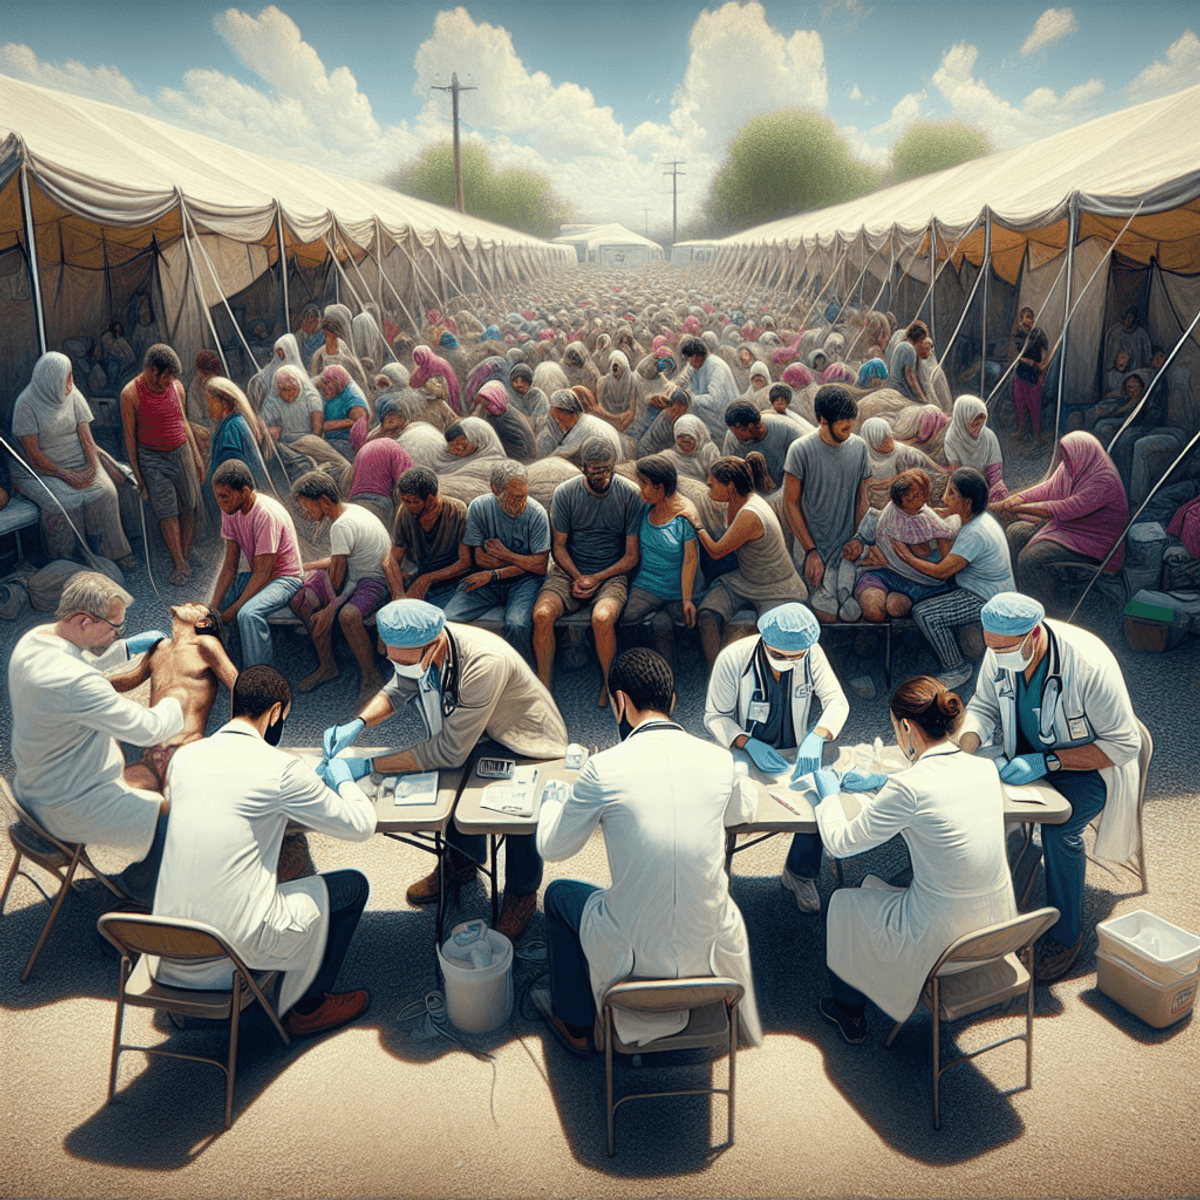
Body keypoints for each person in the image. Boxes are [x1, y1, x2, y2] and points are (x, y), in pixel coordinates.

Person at [532, 648, 762, 1055]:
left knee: (558, 894)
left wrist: (553, 800)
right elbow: (742, 811)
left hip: (633, 963)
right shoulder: (720, 760)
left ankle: (576, 1025)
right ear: (672, 701)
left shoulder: (602, 769)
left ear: (620, 702)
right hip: (708, 959)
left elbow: (553, 847)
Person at [320, 599, 568, 940]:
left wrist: (368, 764)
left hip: (526, 738)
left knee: (515, 810)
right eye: (393, 660)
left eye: (406, 662)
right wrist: (359, 723)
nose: (400, 667)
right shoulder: (422, 646)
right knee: (449, 786)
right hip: (479, 729)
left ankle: (521, 893)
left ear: (434, 644)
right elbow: (400, 687)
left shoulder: (484, 662)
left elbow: (449, 750)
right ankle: (461, 863)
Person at [153, 666, 376, 1037]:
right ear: (275, 713)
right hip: (233, 951)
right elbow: (360, 826)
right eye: (283, 718)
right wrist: (344, 780)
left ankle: (201, 1011)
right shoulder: (282, 769)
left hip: (166, 947)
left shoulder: (185, 759)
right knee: (352, 886)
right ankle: (307, 1007)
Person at [813, 676, 1016, 1043]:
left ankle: (849, 1012)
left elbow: (840, 844)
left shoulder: (908, 788)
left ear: (905, 727)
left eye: (895, 728)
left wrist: (828, 795)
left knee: (843, 902)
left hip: (947, 942)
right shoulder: (984, 768)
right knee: (875, 886)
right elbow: (939, 788)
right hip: (1001, 929)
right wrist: (881, 781)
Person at [960, 593, 1141, 982]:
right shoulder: (1001, 649)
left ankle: (1066, 936)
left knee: (1060, 832)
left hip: (1087, 769)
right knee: (970, 796)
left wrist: (1049, 761)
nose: (996, 656)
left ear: (1034, 634)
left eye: (1003, 649)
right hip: (1022, 755)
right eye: (991, 647)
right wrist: (964, 748)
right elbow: (984, 706)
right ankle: (979, 903)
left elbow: (1124, 745)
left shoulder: (1089, 665)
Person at [8, 571, 182, 905]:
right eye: (115, 627)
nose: (117, 633)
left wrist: (125, 649)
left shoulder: (35, 639)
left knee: (126, 747)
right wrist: (176, 700)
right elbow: (149, 728)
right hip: (65, 806)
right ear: (84, 621)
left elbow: (82, 659)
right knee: (168, 814)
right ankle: (139, 893)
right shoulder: (77, 683)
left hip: (34, 785)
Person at [705, 603, 849, 914]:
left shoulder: (811, 653)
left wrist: (816, 736)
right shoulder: (733, 658)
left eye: (795, 657)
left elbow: (837, 701)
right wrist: (748, 743)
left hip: (796, 750)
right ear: (764, 639)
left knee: (820, 800)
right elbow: (715, 716)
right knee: (735, 804)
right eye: (779, 655)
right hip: (745, 748)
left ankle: (799, 873)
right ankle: (719, 874)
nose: (788, 662)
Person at [532, 437, 641, 706]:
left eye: (607, 469)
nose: (602, 476)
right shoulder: (565, 493)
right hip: (569, 570)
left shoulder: (630, 494)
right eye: (595, 470)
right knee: (542, 614)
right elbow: (558, 546)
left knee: (602, 618)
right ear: (583, 468)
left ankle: (608, 684)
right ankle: (545, 686)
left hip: (611, 574)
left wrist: (597, 578)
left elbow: (631, 556)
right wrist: (578, 576)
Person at [892, 467, 1015, 689]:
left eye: (951, 493)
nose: (944, 498)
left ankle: (956, 667)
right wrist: (941, 520)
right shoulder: (976, 520)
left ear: (967, 504)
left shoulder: (976, 532)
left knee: (925, 614)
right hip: (981, 588)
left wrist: (906, 556)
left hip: (986, 597)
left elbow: (942, 571)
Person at [11, 351, 136, 568]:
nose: (72, 381)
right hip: (47, 470)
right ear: (50, 379)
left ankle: (114, 552)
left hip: (80, 462)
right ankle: (68, 560)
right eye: (66, 376)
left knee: (106, 492)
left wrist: (92, 467)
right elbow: (34, 456)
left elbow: (87, 440)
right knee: (65, 504)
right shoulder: (26, 405)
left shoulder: (73, 395)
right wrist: (66, 475)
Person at [692, 455, 808, 666]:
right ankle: (716, 673)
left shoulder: (750, 514)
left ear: (730, 486)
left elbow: (717, 552)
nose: (709, 491)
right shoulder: (739, 502)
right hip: (745, 580)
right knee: (707, 614)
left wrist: (696, 524)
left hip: (775, 587)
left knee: (768, 630)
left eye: (712, 485)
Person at [999, 431, 1129, 615]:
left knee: (1030, 558)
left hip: (1093, 544)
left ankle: (1044, 612)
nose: (1062, 457)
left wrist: (1021, 507)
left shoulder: (1104, 480)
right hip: (1071, 530)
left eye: (1066, 453)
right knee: (1015, 532)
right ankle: (1022, 595)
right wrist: (1020, 497)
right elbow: (1048, 488)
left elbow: (1067, 508)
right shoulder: (1073, 465)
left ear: (1082, 452)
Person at [288, 471, 391, 701]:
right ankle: (327, 665)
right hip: (356, 577)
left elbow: (337, 580)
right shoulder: (349, 512)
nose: (305, 512)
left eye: (306, 505)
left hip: (374, 582)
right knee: (301, 599)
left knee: (346, 616)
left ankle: (371, 676)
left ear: (324, 501)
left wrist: (329, 610)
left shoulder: (341, 526)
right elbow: (339, 560)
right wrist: (304, 567)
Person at [117, 602, 238, 791]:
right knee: (118, 792)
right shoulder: (160, 647)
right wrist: (90, 678)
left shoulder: (205, 644)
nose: (189, 604)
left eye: (196, 606)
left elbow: (239, 687)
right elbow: (130, 680)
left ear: (204, 623)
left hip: (186, 748)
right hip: (152, 755)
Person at [443, 461, 551, 664]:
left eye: (524, 495)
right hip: (487, 580)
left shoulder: (536, 514)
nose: (522, 502)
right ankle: (460, 666)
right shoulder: (479, 507)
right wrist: (522, 562)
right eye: (515, 497)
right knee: (448, 618)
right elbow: (481, 559)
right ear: (495, 490)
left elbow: (539, 566)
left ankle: (523, 669)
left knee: (517, 624)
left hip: (524, 582)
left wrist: (504, 556)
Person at [782, 384, 871, 622]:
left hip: (847, 550)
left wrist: (859, 539)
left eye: (851, 421)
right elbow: (790, 504)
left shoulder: (860, 448)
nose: (849, 427)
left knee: (863, 608)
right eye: (843, 423)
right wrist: (811, 551)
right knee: (826, 615)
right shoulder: (800, 450)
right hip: (812, 549)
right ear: (823, 420)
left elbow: (862, 498)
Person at [120, 344, 205, 587]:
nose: (168, 382)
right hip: (152, 458)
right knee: (167, 511)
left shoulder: (176, 387)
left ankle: (185, 556)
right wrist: (139, 475)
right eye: (164, 377)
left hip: (181, 451)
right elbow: (130, 437)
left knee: (189, 506)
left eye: (171, 378)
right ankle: (179, 563)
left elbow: (183, 421)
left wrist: (196, 457)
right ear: (151, 369)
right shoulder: (130, 394)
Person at [209, 459, 304, 668]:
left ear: (244, 491)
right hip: (261, 575)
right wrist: (213, 608)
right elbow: (230, 566)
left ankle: (258, 674)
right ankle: (226, 664)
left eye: (225, 496)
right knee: (218, 604)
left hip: (285, 579)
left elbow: (264, 573)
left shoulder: (265, 515)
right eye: (217, 497)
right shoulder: (230, 510)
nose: (220, 503)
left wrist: (233, 609)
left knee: (247, 614)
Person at [618, 455, 699, 670]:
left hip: (675, 588)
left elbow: (690, 561)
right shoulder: (645, 508)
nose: (640, 489)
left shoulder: (684, 517)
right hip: (647, 584)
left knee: (684, 624)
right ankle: (636, 664)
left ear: (660, 487)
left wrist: (687, 599)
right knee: (628, 618)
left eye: (644, 484)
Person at [845, 469, 954, 625]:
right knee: (873, 610)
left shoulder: (929, 519)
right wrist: (861, 546)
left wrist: (913, 558)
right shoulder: (887, 517)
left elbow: (945, 562)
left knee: (895, 606)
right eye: (910, 498)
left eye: (919, 494)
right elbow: (866, 541)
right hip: (882, 573)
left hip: (920, 580)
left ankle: (901, 601)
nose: (917, 499)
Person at [384, 466, 470, 608]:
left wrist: (426, 579)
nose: (408, 505)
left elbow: (465, 562)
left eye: (413, 501)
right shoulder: (405, 511)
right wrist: (398, 593)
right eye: (404, 500)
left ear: (431, 499)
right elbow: (393, 556)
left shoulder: (457, 512)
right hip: (421, 576)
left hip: (451, 581)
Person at [204, 376, 269, 493]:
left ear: (224, 404)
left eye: (210, 402)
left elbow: (231, 477)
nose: (208, 407)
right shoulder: (236, 422)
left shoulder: (231, 431)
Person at [721, 402, 805, 491]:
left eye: (738, 434)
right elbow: (727, 470)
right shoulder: (732, 438)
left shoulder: (787, 431)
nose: (737, 437)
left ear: (751, 426)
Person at [942, 395, 1008, 501]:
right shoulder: (951, 439)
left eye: (981, 420)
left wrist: (996, 487)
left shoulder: (989, 437)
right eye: (974, 422)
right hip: (964, 482)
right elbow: (956, 471)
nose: (978, 426)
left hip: (985, 482)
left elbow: (995, 472)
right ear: (963, 419)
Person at [346, 431, 413, 532]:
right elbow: (406, 483)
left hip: (355, 501)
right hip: (379, 503)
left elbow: (350, 478)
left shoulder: (364, 448)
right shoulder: (397, 449)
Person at [678, 336, 739, 442]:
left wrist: (690, 398)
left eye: (695, 356)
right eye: (689, 357)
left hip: (725, 417)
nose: (692, 360)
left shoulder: (715, 366)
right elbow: (684, 379)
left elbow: (715, 400)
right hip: (711, 415)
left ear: (700, 355)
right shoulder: (694, 365)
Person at [537, 389, 623, 463]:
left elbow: (560, 453)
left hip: (608, 463)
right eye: (557, 421)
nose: (560, 425)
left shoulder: (581, 428)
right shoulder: (585, 420)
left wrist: (543, 463)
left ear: (573, 415)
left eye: (561, 420)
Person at [315, 366, 369, 462]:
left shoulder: (352, 398)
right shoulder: (324, 389)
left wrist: (326, 426)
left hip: (342, 441)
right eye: (325, 382)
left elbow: (358, 423)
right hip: (325, 438)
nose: (325, 386)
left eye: (329, 383)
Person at [1013, 323, 1050, 448]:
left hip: (1033, 377)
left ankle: (1037, 437)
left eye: (1028, 317)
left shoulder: (1038, 334)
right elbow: (1020, 356)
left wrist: (1038, 365)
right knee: (1019, 405)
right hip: (1020, 375)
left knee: (1034, 408)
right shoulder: (1020, 335)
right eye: (1023, 318)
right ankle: (1021, 431)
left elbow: (1044, 357)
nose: (1025, 321)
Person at [661, 413, 719, 483]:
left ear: (697, 436)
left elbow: (714, 480)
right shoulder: (669, 457)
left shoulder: (709, 451)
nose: (684, 444)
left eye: (687, 441)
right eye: (680, 437)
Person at [887, 321, 933, 405]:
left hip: (893, 387)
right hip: (901, 390)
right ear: (920, 339)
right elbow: (910, 376)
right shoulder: (909, 349)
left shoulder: (902, 345)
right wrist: (922, 398)